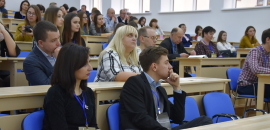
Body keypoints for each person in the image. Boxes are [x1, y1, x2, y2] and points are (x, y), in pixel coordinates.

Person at [120, 46, 212, 130]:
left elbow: (178, 118)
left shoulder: (160, 89)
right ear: (154, 67)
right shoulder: (135, 83)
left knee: (205, 120)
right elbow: (140, 118)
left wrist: (176, 87)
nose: (170, 67)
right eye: (166, 63)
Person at [42, 43, 98, 130]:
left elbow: (93, 125)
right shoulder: (55, 94)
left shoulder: (88, 92)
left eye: (89, 62)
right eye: (84, 64)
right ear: (70, 66)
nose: (90, 68)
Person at [23, 21, 61, 85]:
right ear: (41, 43)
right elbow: (46, 85)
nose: (59, 43)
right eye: (53, 40)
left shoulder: (63, 51)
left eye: (58, 38)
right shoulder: (30, 62)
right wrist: (60, 62)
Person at [237, 28, 270, 99]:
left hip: (261, 83)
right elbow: (255, 69)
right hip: (247, 85)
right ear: (268, 40)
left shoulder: (269, 54)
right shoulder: (255, 51)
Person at [0, 18, 21, 87]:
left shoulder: (3, 32)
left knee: (12, 80)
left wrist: (4, 31)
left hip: (3, 70)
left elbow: (13, 53)